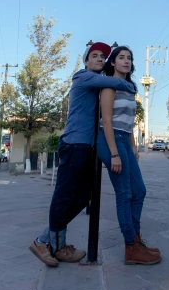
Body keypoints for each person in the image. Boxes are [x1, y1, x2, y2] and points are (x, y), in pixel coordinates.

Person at [30, 41, 136, 267]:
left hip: (88, 147)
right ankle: (53, 245)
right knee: (64, 195)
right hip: (74, 143)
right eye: (95, 56)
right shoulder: (82, 76)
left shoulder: (98, 84)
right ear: (86, 61)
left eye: (102, 57)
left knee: (83, 196)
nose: (99, 59)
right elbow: (116, 81)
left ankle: (46, 239)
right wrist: (129, 85)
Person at [97, 46, 161, 265]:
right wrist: (114, 153)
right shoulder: (109, 86)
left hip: (125, 140)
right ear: (112, 63)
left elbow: (129, 122)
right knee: (124, 194)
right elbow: (106, 121)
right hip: (110, 140)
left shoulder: (130, 87)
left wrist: (133, 146)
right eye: (121, 57)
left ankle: (135, 239)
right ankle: (131, 247)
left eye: (129, 58)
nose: (126, 61)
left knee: (139, 191)